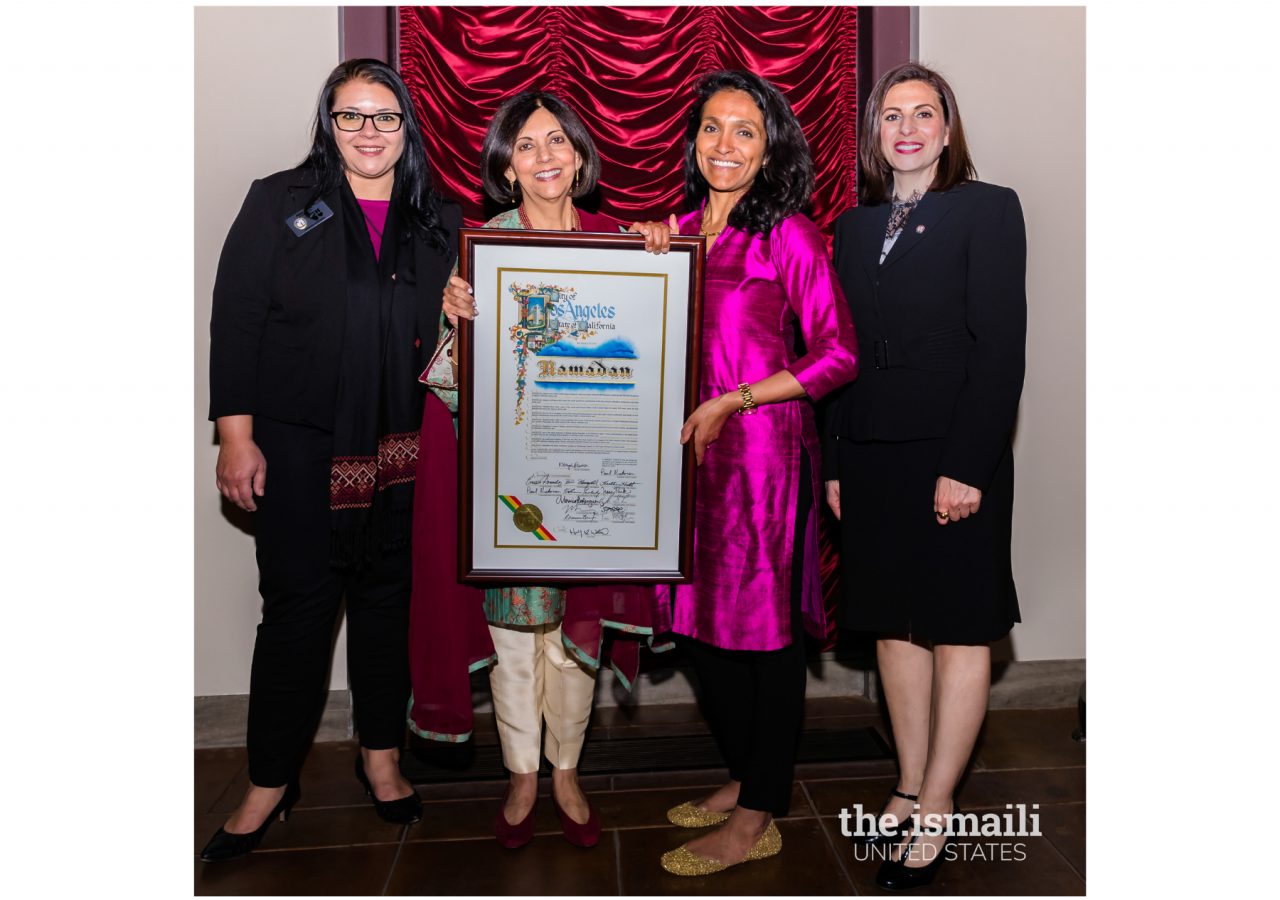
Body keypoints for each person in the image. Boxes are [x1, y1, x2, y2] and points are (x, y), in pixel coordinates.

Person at [201, 59, 461, 862]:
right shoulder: (280, 202)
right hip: (298, 445)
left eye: (385, 117)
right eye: (351, 116)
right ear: (328, 123)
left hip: (404, 450)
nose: (369, 132)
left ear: (406, 127)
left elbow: (479, 331)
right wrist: (235, 435)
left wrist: (464, 310)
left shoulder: (438, 220)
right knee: (298, 618)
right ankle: (269, 781)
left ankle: (379, 757)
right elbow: (236, 320)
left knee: (387, 609)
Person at [414, 89, 661, 851]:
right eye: (527, 146)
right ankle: (523, 772)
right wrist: (455, 315)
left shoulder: (624, 245)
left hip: (596, 484)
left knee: (574, 635)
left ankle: (564, 770)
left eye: (558, 141)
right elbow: (456, 389)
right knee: (518, 638)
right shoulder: (482, 255)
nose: (546, 156)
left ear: (581, 158)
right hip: (513, 487)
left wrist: (661, 260)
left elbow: (658, 361)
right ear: (506, 167)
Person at [631, 70, 858, 875]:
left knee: (761, 637)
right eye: (712, 129)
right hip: (687, 455)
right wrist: (645, 255)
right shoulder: (678, 229)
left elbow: (839, 354)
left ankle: (760, 811)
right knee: (699, 624)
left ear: (770, 151)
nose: (725, 145)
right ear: (693, 141)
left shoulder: (787, 234)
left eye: (745, 132)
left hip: (762, 453)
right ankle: (745, 775)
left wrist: (734, 401)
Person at [823, 62, 1027, 890]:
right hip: (869, 452)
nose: (906, 128)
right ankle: (906, 786)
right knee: (894, 628)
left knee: (957, 627)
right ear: (875, 134)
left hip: (954, 452)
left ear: (948, 127)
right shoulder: (851, 228)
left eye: (924, 113)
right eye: (891, 116)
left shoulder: (988, 209)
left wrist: (965, 467)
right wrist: (835, 463)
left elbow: (1000, 348)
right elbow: (839, 357)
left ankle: (940, 805)